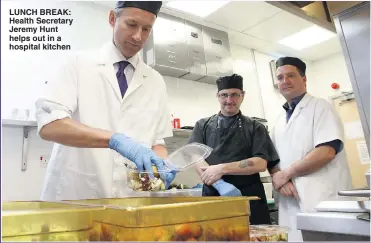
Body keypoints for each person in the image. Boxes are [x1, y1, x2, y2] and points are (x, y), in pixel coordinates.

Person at [35, 1, 176, 201]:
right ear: (112, 18)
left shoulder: (155, 81)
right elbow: (50, 126)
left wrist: (161, 165)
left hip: (131, 200)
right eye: (132, 24)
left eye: (146, 29)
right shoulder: (78, 63)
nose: (138, 36)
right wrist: (114, 140)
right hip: (76, 195)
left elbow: (157, 142)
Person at [270, 56, 353, 241]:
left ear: (304, 79)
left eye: (291, 75)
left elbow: (326, 151)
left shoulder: (321, 106)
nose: (285, 81)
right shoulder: (278, 120)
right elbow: (272, 157)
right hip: (291, 203)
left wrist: (286, 174)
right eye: (280, 78)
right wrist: (279, 178)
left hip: (322, 201)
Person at [187, 74, 280, 225]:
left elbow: (260, 163)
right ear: (217, 96)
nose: (229, 100)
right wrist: (218, 183)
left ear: (242, 96)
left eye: (235, 95)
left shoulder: (256, 127)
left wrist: (222, 169)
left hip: (248, 197)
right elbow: (194, 155)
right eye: (224, 95)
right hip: (214, 195)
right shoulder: (202, 125)